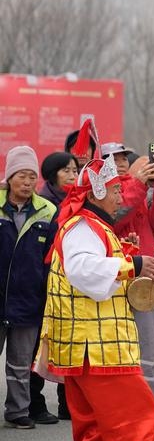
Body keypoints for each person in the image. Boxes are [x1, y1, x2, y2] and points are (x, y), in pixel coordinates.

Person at [34, 153, 154, 441]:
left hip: (91, 348)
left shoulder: (88, 224)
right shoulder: (83, 226)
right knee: (142, 423)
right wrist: (134, 264)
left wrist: (133, 269)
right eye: (113, 190)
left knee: (99, 431)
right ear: (94, 194)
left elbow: (91, 278)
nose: (118, 197)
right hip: (99, 349)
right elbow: (83, 272)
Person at [101, 143, 154, 396]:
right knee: (115, 347)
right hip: (115, 277)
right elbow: (114, 217)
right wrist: (138, 185)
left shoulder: (141, 187)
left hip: (147, 277)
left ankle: (146, 408)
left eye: (123, 157)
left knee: (149, 347)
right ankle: (119, 408)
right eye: (112, 158)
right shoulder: (99, 192)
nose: (120, 162)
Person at [1, 146, 57, 428]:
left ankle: (17, 411)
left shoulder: (48, 211)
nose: (27, 182)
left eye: (32, 177)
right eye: (22, 175)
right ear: (10, 177)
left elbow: (50, 259)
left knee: (21, 362)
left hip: (29, 300)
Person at [31, 150, 77, 421]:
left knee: (66, 342)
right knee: (37, 343)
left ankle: (67, 403)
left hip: (67, 282)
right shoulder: (44, 204)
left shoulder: (78, 200)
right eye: (66, 170)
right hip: (42, 282)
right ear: (51, 175)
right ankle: (33, 402)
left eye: (74, 170)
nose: (72, 175)